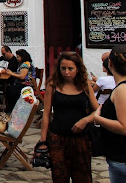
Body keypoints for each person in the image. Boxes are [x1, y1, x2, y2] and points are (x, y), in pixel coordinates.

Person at [40, 51, 98, 183]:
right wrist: (43, 140)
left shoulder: (84, 85)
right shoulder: (53, 85)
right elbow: (46, 113)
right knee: (60, 177)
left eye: (70, 69)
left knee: (82, 177)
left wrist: (86, 120)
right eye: (63, 68)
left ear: (78, 69)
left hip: (81, 139)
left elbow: (98, 111)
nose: (66, 72)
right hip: (58, 138)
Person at [93, 45, 126, 183]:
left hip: (122, 157)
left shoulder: (121, 89)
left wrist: (98, 119)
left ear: (110, 63)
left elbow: (124, 127)